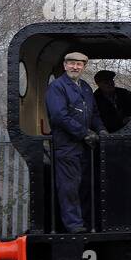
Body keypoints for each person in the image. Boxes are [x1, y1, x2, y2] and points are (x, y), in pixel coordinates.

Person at [45, 50, 105, 233]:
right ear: (65, 65)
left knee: (84, 186)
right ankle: (73, 225)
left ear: (84, 67)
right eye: (71, 63)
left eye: (79, 64)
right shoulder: (57, 87)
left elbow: (93, 113)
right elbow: (59, 116)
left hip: (85, 146)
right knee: (69, 187)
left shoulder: (85, 87)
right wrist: (84, 132)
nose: (75, 67)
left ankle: (85, 222)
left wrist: (101, 129)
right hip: (67, 146)